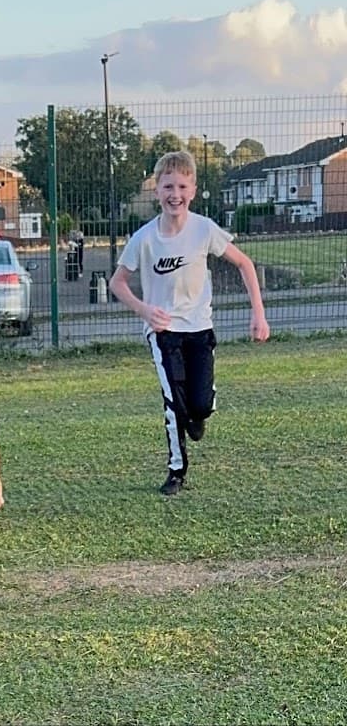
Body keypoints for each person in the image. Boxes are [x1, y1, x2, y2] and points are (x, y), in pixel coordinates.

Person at [109, 150, 270, 495]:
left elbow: (245, 264)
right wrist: (144, 310)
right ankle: (176, 470)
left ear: (193, 190)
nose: (175, 194)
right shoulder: (144, 238)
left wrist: (258, 313)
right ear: (156, 191)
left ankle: (200, 413)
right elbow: (117, 283)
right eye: (168, 186)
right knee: (173, 404)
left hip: (199, 330)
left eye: (182, 186)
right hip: (163, 332)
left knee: (198, 406)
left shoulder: (204, 230)